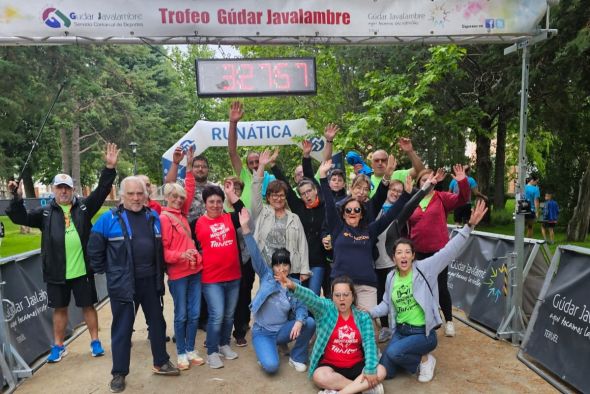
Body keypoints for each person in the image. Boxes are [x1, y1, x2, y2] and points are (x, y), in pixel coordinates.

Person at [5, 142, 119, 363]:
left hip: (82, 269)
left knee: (88, 306)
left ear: (73, 189)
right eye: (60, 187)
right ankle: (58, 345)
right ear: (54, 189)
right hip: (57, 272)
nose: (64, 191)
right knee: (59, 308)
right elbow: (20, 217)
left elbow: (102, 190)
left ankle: (95, 342)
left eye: (67, 187)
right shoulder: (45, 213)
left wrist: (109, 168)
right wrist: (16, 199)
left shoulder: (84, 208)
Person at [370, 200, 488, 383]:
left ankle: (425, 359)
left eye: (407, 252)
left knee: (393, 352)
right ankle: (414, 360)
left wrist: (469, 226)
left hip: (422, 333)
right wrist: (370, 312)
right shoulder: (391, 277)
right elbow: (386, 304)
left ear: (413, 255)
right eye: (399, 253)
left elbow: (449, 251)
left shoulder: (425, 268)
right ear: (393, 257)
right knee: (387, 371)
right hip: (401, 331)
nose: (403, 256)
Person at [88, 176, 180, 393]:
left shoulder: (153, 216)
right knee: (122, 329)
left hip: (150, 282)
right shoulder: (108, 219)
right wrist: (111, 272)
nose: (136, 198)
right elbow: (94, 250)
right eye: (131, 194)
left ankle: (161, 362)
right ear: (122, 196)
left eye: (140, 193)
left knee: (157, 325)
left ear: (145, 195)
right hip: (123, 285)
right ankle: (119, 373)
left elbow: (159, 249)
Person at [319, 159, 414, 310]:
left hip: (366, 284)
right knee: (343, 325)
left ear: (362, 214)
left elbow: (390, 216)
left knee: (366, 324)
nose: (352, 212)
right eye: (348, 210)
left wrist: (406, 195)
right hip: (341, 284)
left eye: (357, 210)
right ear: (343, 214)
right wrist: (323, 178)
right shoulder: (338, 228)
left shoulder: (370, 229)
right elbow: (329, 206)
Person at [276, 274, 387, 394]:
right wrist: (294, 286)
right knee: (318, 376)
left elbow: (369, 343)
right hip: (331, 365)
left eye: (346, 294)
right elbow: (312, 298)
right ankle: (364, 388)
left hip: (357, 365)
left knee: (380, 370)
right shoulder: (326, 309)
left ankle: (339, 392)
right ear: (332, 297)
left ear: (353, 296)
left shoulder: (362, 317)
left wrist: (370, 369)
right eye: (337, 295)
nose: (341, 299)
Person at [239, 208, 316, 374]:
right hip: (263, 332)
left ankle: (297, 356)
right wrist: (245, 229)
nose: (281, 268)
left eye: (285, 264)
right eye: (277, 265)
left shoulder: (294, 284)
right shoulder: (266, 276)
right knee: (272, 366)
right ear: (272, 267)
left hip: (282, 331)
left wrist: (299, 321)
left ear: (289, 266)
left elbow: (302, 306)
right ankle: (267, 350)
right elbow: (256, 255)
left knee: (309, 322)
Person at [407, 165, 470, 337]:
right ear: (419, 183)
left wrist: (462, 181)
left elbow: (463, 199)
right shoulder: (413, 200)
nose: (428, 181)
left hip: (438, 251)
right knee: (421, 287)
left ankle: (449, 320)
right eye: (424, 179)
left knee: (441, 287)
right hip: (417, 251)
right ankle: (426, 318)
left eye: (430, 178)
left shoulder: (441, 198)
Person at [160, 150, 205, 370]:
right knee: (182, 314)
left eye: (180, 198)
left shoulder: (183, 214)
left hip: (195, 270)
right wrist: (182, 255)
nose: (178, 200)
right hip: (178, 274)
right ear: (167, 198)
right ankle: (180, 353)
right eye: (174, 197)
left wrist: (188, 165)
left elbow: (190, 187)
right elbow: (164, 253)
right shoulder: (164, 218)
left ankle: (190, 348)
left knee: (195, 313)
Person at [164, 147, 215, 331]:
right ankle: (184, 324)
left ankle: (203, 318)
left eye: (203, 166)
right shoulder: (182, 185)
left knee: (203, 281)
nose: (200, 169)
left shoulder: (213, 187)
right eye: (196, 166)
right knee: (185, 289)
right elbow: (170, 185)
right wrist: (178, 163)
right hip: (185, 239)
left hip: (206, 241)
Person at [195, 181, 244, 369]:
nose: (215, 205)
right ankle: (212, 352)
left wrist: (232, 194)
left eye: (218, 201)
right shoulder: (198, 223)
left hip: (233, 276)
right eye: (211, 201)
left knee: (229, 315)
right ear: (205, 203)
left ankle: (224, 344)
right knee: (217, 315)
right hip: (211, 279)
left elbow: (243, 212)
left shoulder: (230, 218)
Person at [269, 139, 328, 295]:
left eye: (309, 191)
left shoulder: (325, 205)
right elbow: (286, 187)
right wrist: (273, 165)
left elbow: (310, 176)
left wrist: (306, 157)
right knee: (300, 297)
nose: (307, 195)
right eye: (303, 193)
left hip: (318, 261)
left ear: (315, 190)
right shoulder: (299, 207)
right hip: (300, 261)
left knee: (313, 296)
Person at [251, 150, 311, 282]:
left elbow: (302, 245)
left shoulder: (294, 218)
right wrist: (261, 166)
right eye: (275, 195)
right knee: (270, 302)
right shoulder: (262, 213)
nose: (278, 198)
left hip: (290, 271)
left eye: (282, 195)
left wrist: (304, 270)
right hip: (267, 271)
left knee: (291, 302)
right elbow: (255, 189)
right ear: (268, 197)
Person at [227, 101, 275, 209]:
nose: (254, 165)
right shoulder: (244, 176)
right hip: (245, 222)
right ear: (247, 165)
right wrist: (233, 123)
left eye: (257, 161)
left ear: (263, 161)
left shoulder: (271, 178)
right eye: (251, 163)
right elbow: (232, 152)